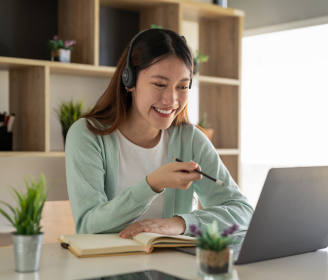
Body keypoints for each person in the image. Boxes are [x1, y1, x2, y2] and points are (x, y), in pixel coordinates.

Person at [65, 28, 254, 238]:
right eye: (159, 84)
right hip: (108, 267)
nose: (171, 100)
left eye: (182, 87)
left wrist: (181, 223)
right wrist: (152, 185)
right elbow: (87, 226)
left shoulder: (190, 139)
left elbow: (243, 212)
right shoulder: (87, 135)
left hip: (172, 267)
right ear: (129, 80)